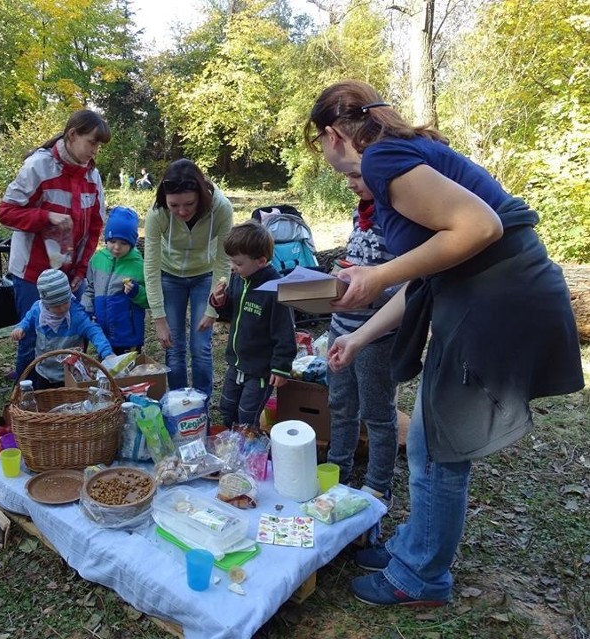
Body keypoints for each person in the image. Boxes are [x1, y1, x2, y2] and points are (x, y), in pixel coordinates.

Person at [306, 80, 583, 607]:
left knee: (438, 446)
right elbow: (424, 278)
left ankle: (421, 577)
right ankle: (414, 548)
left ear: (332, 134)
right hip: (494, 295)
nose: (327, 160)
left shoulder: (383, 158)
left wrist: (378, 271)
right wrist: (360, 338)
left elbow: (480, 226)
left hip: (497, 300)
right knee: (430, 440)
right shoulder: (403, 154)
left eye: (320, 145)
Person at [0, 109, 111, 378]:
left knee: (75, 333)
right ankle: (25, 395)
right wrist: (46, 216)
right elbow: (6, 212)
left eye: (98, 145)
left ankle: (72, 395)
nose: (95, 151)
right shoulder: (39, 167)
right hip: (32, 272)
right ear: (72, 135)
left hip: (72, 271)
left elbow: (95, 226)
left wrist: (82, 270)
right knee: (31, 336)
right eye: (92, 142)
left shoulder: (91, 177)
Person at [326, 174, 401, 509]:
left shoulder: (403, 220)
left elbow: (410, 286)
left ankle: (377, 488)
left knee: (378, 415)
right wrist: (339, 276)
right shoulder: (362, 214)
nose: (350, 183)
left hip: (377, 337)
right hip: (340, 328)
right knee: (340, 406)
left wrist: (368, 293)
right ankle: (336, 472)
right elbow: (360, 263)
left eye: (357, 176)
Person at [143, 158, 234, 399]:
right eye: (174, 205)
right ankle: (180, 403)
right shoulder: (157, 214)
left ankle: (201, 405)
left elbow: (224, 261)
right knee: (174, 347)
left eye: (189, 204)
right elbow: (150, 266)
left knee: (200, 347)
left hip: (205, 277)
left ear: (201, 196)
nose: (182, 211)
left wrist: (213, 308)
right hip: (169, 276)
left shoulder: (221, 208)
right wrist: (158, 318)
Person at [209, 220, 296, 429]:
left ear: (261, 261)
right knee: (227, 409)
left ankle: (248, 454)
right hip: (236, 363)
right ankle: (231, 448)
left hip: (260, 371)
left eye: (238, 263)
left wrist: (281, 368)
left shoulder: (275, 290)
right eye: (231, 262)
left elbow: (285, 333)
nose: (233, 267)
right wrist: (220, 303)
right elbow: (231, 313)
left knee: (247, 417)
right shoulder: (240, 278)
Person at [11, 269, 114, 389]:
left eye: (66, 302)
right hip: (44, 370)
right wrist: (21, 328)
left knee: (68, 401)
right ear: (45, 304)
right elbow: (28, 319)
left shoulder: (77, 315)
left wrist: (106, 353)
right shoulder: (38, 310)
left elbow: (94, 331)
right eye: (56, 306)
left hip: (69, 373)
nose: (62, 308)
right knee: (45, 398)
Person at [82, 206, 148, 354]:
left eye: (123, 243)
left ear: (132, 243)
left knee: (127, 373)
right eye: (112, 241)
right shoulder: (97, 260)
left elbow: (150, 300)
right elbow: (90, 288)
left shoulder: (138, 265)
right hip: (103, 334)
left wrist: (136, 292)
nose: (117, 247)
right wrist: (85, 309)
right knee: (106, 371)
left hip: (128, 335)